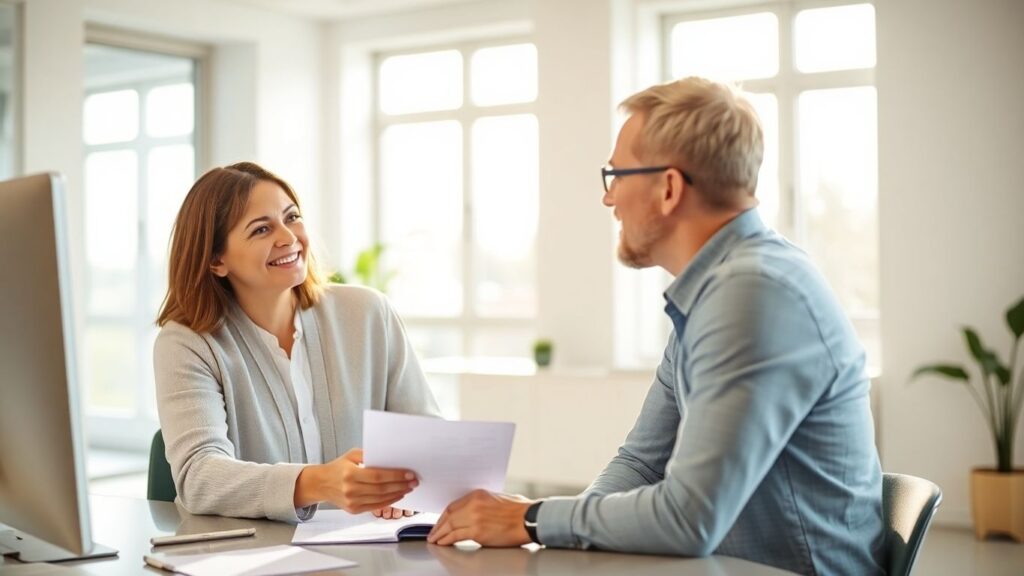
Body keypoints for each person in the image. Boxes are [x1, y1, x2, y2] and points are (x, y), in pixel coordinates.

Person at [427, 77, 885, 575]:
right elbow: (641, 464)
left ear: (668, 188)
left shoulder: (753, 294)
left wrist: (533, 519)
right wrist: (542, 530)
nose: (610, 200)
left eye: (616, 175)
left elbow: (689, 519)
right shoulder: (714, 290)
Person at [154, 162, 439, 523]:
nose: (288, 237)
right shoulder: (187, 342)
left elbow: (428, 440)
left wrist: (405, 485)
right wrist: (318, 482)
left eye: (292, 217)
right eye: (261, 229)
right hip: (249, 556)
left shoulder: (369, 313)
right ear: (216, 261)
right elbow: (199, 476)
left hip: (370, 549)